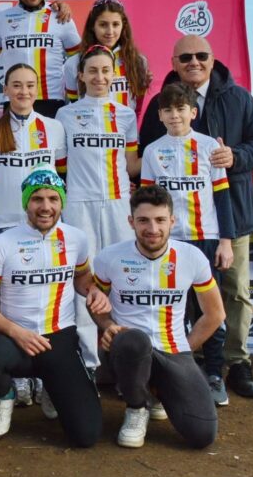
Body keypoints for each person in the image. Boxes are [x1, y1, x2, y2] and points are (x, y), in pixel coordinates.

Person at [137, 35, 253, 399]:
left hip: (228, 218)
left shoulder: (238, 97)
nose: (193, 62)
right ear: (174, 62)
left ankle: (235, 362)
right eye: (185, 57)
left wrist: (236, 157)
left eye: (201, 56)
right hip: (172, 231)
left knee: (233, 292)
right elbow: (146, 158)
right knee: (178, 298)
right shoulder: (160, 103)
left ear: (212, 60)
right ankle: (188, 364)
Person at [0, 170, 108, 446]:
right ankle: (5, 394)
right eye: (37, 199)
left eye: (53, 199)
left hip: (59, 338)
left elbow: (82, 277)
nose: (46, 207)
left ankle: (53, 389)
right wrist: (16, 332)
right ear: (26, 203)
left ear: (62, 202)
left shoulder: (76, 239)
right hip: (14, 339)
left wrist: (93, 290)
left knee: (86, 436)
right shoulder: (2, 243)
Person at [91, 185, 225, 449]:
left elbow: (215, 313)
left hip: (173, 350)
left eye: (160, 220)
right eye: (143, 220)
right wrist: (107, 325)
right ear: (131, 222)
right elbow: (97, 304)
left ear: (172, 221)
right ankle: (136, 407)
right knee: (135, 341)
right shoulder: (109, 257)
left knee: (202, 434)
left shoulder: (192, 257)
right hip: (127, 348)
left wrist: (186, 348)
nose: (152, 228)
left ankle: (159, 389)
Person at [140, 82, 235, 406]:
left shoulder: (209, 147)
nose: (175, 115)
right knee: (172, 311)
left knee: (210, 310)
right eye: (168, 110)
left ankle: (214, 374)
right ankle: (176, 371)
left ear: (193, 112)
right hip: (168, 243)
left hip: (206, 239)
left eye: (181, 109)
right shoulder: (153, 151)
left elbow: (223, 197)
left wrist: (226, 241)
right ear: (160, 115)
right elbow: (148, 200)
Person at [55, 45, 140, 373]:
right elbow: (59, 164)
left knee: (122, 277)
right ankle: (89, 363)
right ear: (81, 75)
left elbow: (132, 164)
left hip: (118, 203)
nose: (99, 77)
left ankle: (125, 359)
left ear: (114, 74)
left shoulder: (126, 114)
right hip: (79, 203)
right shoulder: (65, 115)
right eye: (92, 70)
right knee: (84, 281)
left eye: (105, 70)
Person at [0, 63, 66, 235]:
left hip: (46, 221)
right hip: (4, 223)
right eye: (17, 85)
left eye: (30, 85)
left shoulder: (54, 127)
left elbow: (63, 175)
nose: (24, 91)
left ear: (37, 89)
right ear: (5, 89)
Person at [0, 0, 80, 118]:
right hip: (14, 100)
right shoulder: (0, 19)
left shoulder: (61, 17)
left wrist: (75, 97)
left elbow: (79, 61)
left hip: (51, 100)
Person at [63, 0, 150, 111]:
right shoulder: (74, 63)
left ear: (123, 26)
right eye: (103, 25)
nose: (110, 31)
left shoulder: (138, 61)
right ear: (92, 26)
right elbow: (74, 106)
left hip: (124, 123)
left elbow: (137, 109)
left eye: (115, 24)